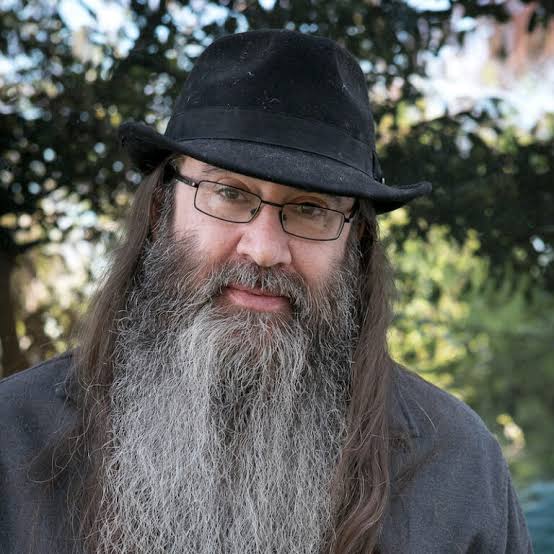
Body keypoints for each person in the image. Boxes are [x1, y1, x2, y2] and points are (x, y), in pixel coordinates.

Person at [0, 29, 532, 554]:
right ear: (162, 211)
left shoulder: (455, 465)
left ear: (357, 242)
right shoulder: (11, 440)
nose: (263, 249)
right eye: (229, 193)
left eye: (310, 209)